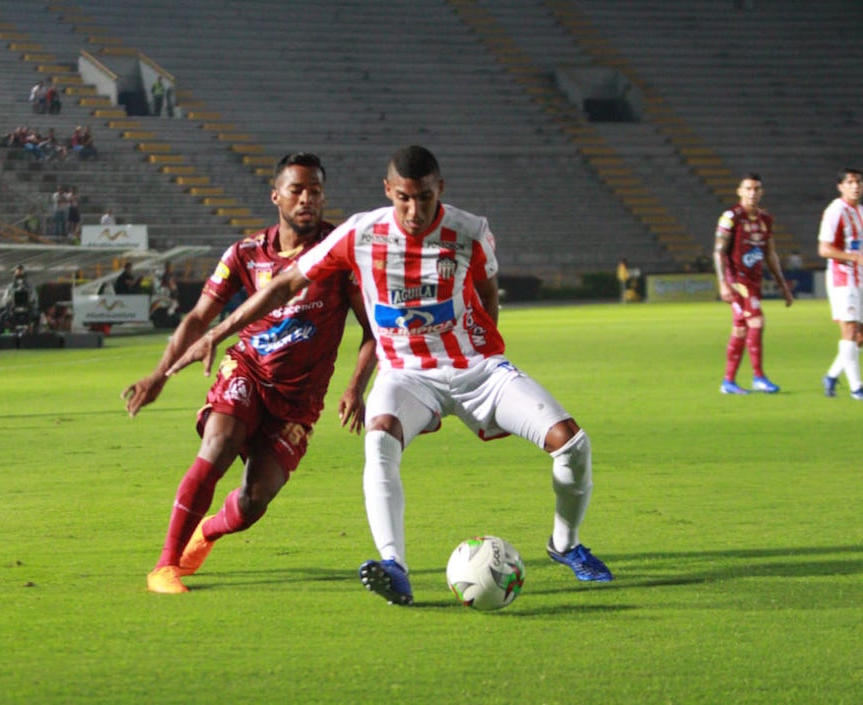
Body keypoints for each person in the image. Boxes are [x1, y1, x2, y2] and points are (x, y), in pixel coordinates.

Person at [167, 145, 612, 606]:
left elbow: (486, 287)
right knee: (379, 439)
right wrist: (217, 333)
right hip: (406, 375)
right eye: (403, 198)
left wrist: (484, 346)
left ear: (440, 189)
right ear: (388, 192)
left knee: (572, 443)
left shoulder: (470, 231)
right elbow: (283, 285)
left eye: (424, 197)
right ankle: (394, 566)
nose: (414, 210)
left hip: (476, 370)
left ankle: (565, 545)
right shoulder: (361, 233)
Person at [122, 152, 376, 595]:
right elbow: (199, 318)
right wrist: (159, 375)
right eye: (297, 190)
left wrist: (356, 386)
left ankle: (207, 533)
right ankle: (165, 566)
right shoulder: (244, 253)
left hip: (300, 400)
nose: (307, 200)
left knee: (254, 500)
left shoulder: (340, 254)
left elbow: (372, 329)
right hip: (248, 371)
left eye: (315, 191)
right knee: (218, 444)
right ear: (276, 195)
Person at [713, 173, 793, 395]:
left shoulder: (765, 220)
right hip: (737, 281)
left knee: (740, 329)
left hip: (753, 280)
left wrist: (783, 286)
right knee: (757, 321)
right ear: (739, 191)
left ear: (762, 192)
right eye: (748, 188)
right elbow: (719, 252)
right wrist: (723, 283)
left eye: (756, 189)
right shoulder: (731, 217)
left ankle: (728, 382)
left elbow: (770, 254)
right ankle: (759, 377)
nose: (752, 193)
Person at [818, 168, 863, 399]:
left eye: (859, 182)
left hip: (860, 278)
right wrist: (855, 257)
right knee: (850, 330)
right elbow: (824, 249)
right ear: (841, 186)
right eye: (851, 182)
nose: (856, 186)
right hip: (842, 278)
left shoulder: (860, 212)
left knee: (860, 337)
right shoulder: (835, 211)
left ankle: (832, 376)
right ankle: (857, 388)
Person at [2, 265, 40, 332]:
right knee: (2, 317)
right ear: (14, 276)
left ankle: (35, 334)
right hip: (13, 310)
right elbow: (5, 299)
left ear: (25, 276)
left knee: (38, 316)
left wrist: (30, 302)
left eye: (21, 276)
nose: (19, 278)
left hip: (28, 309)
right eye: (18, 276)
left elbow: (35, 298)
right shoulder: (10, 287)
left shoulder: (30, 286)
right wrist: (9, 301)